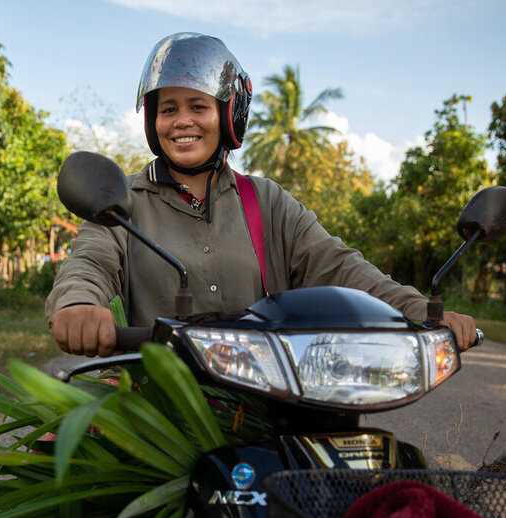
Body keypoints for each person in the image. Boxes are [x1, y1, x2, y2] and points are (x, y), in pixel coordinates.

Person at [46, 32, 477, 358]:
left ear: (229, 113)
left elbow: (341, 267)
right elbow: (90, 261)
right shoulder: (125, 203)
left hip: (269, 403)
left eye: (198, 106)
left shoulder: (266, 201)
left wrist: (422, 311)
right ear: (152, 122)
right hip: (165, 411)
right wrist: (80, 304)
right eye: (168, 109)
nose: (181, 121)